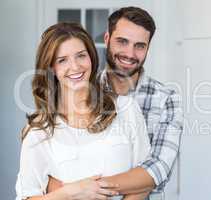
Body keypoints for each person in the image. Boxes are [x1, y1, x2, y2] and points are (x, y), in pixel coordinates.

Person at [48, 6, 183, 200]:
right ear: (107, 39)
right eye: (122, 41)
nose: (130, 53)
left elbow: (156, 170)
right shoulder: (79, 89)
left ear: (147, 48)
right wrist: (74, 191)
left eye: (140, 45)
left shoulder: (167, 99)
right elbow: (49, 166)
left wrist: (87, 190)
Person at [15, 22, 152, 200]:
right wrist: (71, 192)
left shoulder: (126, 109)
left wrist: (93, 188)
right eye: (62, 60)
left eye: (81, 56)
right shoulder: (38, 130)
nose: (75, 66)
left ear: (91, 58)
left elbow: (146, 180)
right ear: (51, 69)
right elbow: (27, 195)